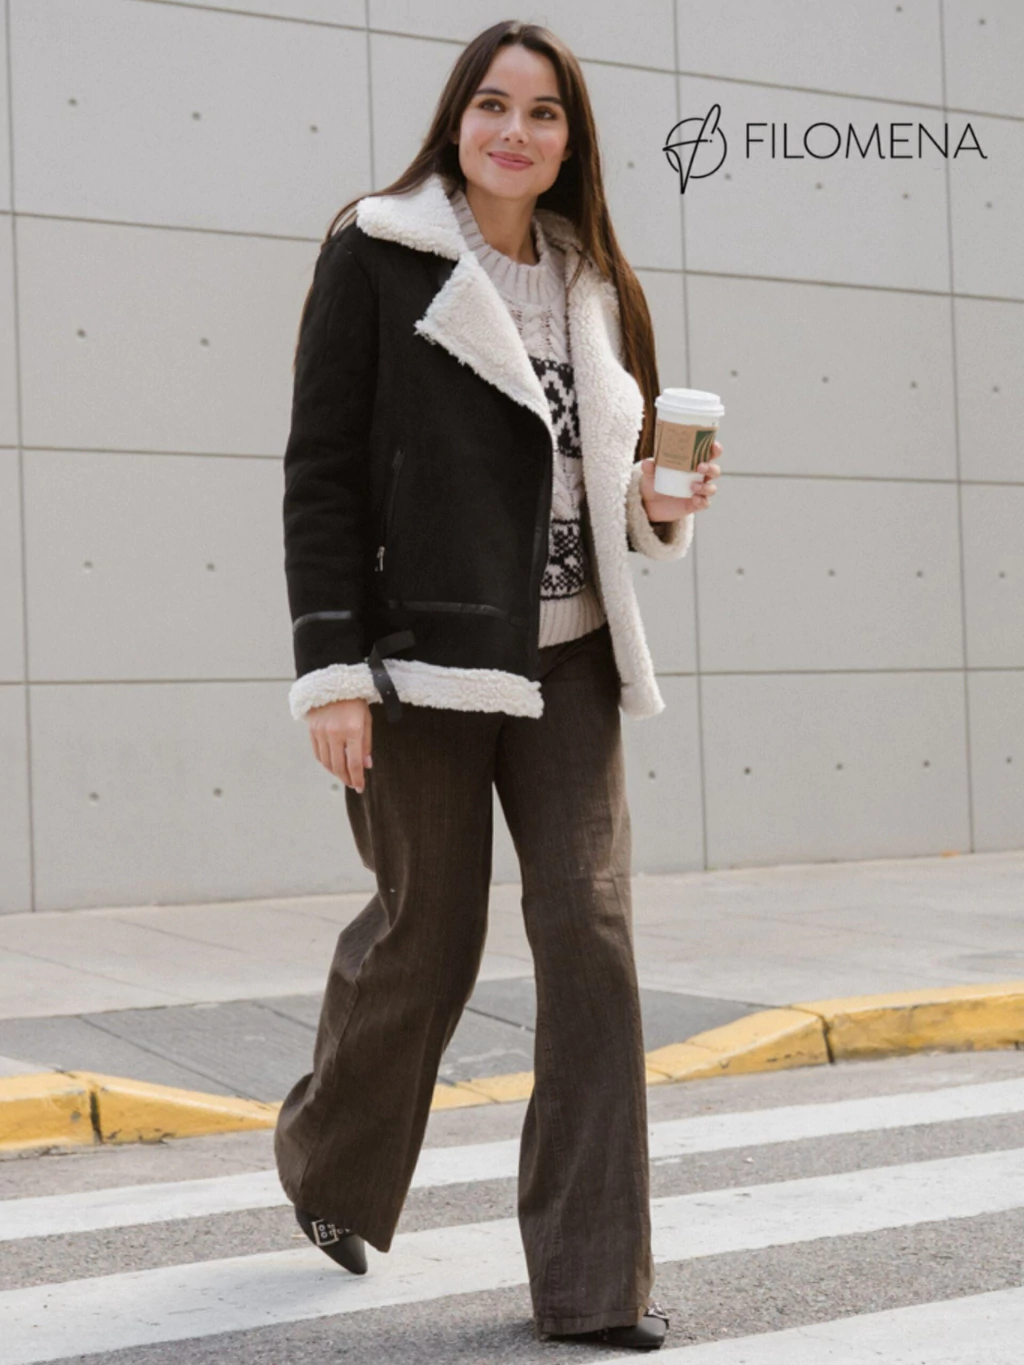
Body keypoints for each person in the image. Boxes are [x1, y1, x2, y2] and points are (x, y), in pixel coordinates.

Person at [273, 18, 721, 1353]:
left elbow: (606, 478)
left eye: (542, 113)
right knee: (430, 935)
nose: (514, 132)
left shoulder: (598, 282)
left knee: (592, 938)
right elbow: (321, 472)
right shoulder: (378, 251)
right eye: (492, 105)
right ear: (455, 119)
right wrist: (333, 671)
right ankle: (330, 1161)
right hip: (422, 663)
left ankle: (593, 1288)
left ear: (571, 142)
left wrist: (657, 507)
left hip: (572, 657)